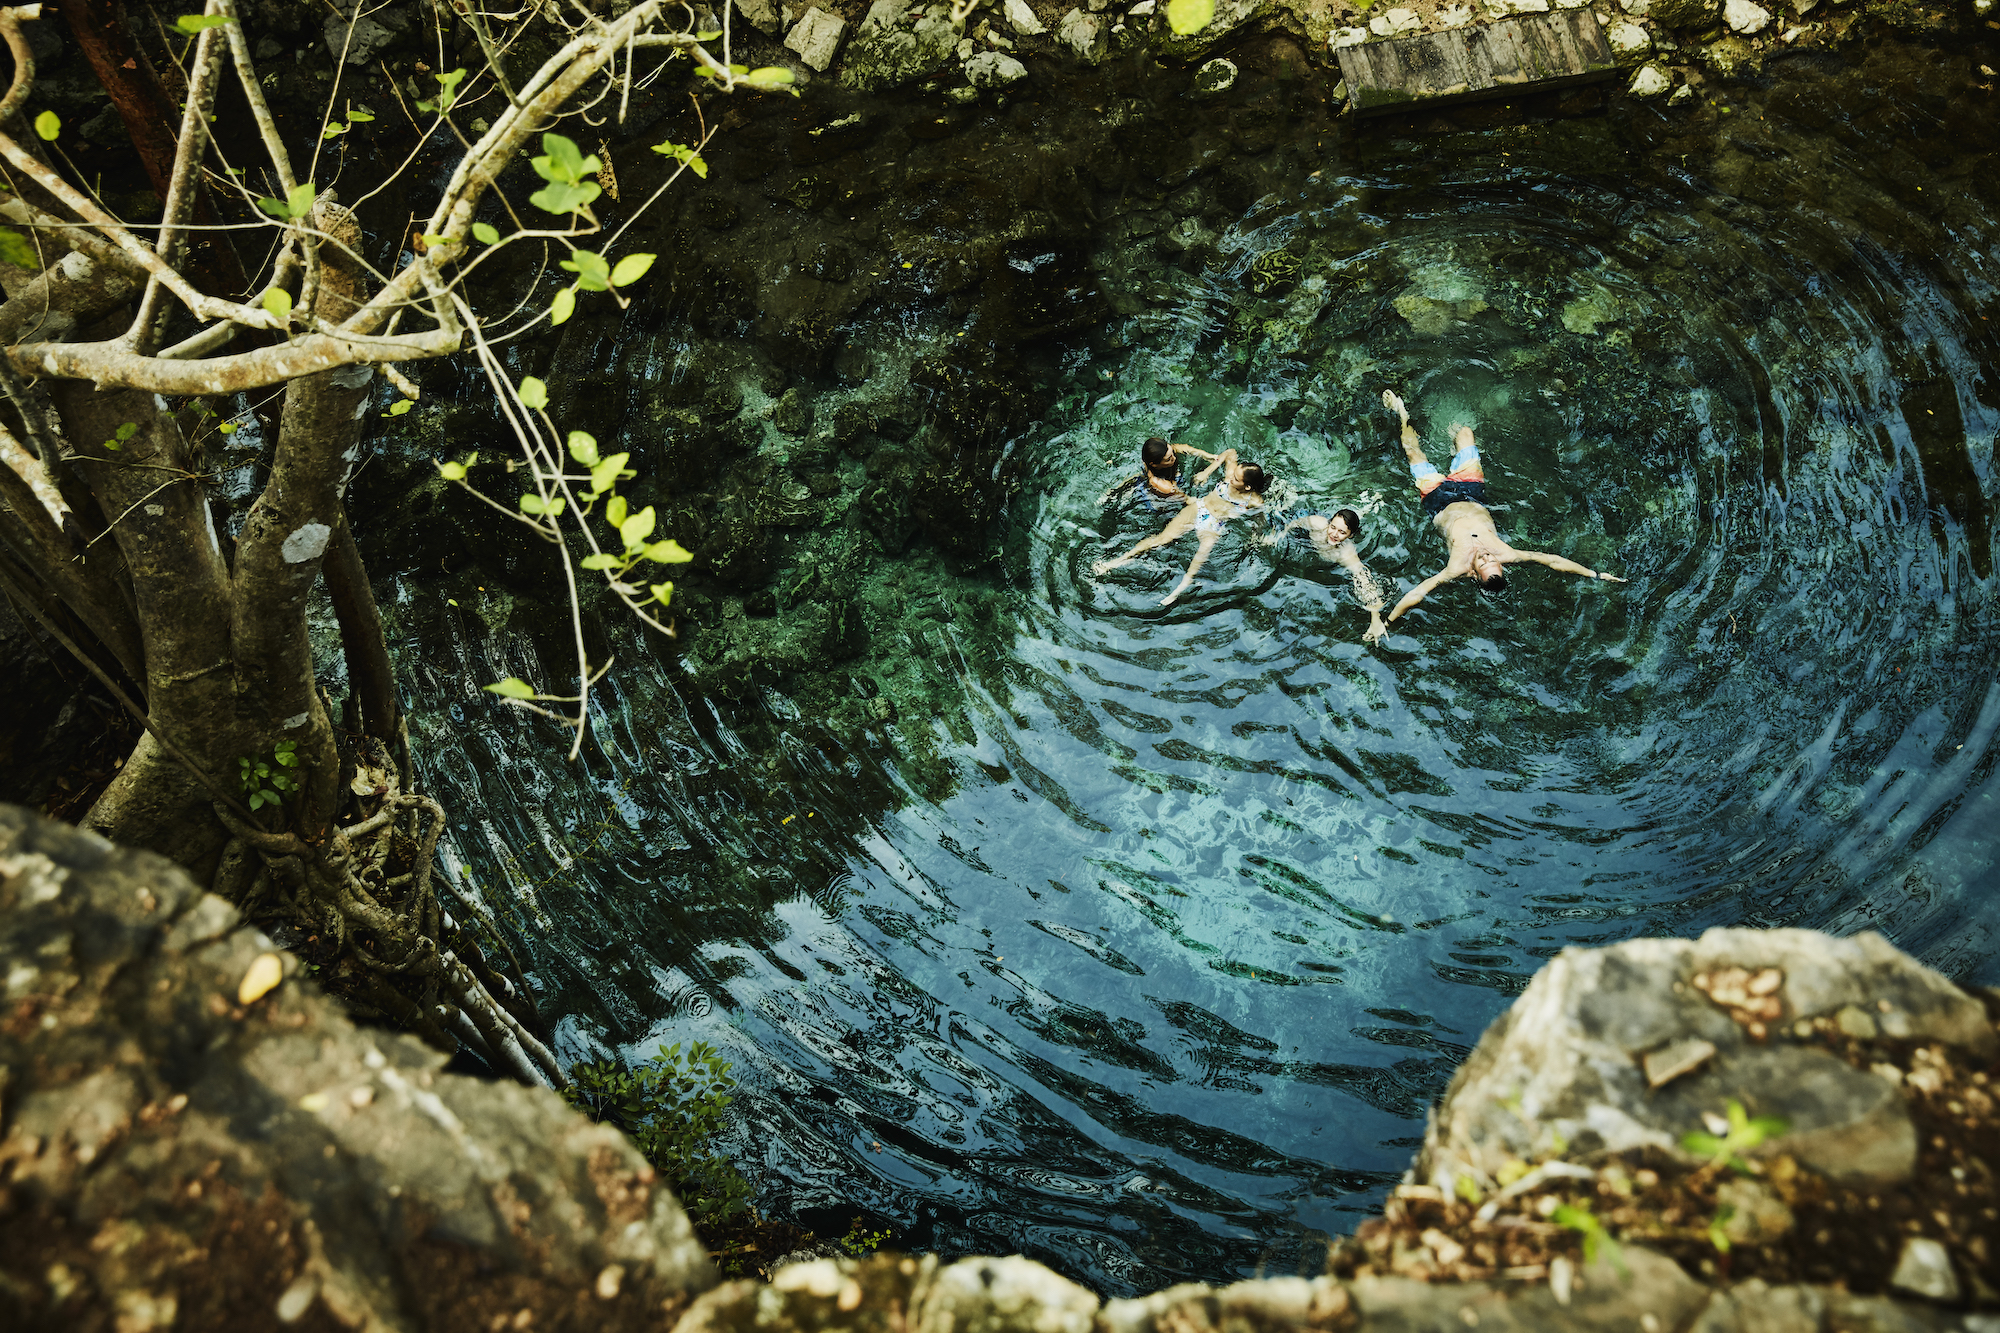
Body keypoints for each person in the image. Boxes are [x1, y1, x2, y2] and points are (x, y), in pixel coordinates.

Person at [1380, 389, 1626, 627]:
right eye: (1491, 560)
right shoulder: (1507, 554)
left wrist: (1388, 621)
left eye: (1483, 563)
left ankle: (1402, 414)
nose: (1486, 556)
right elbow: (1552, 561)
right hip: (1472, 493)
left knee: (1412, 452)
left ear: (1474, 574)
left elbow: (1419, 592)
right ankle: (1454, 448)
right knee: (1465, 433)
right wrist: (1593, 574)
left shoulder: (1456, 568)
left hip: (1437, 500)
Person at [1092, 448, 1271, 606]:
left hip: (1214, 524)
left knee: (1201, 555)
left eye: (1236, 478)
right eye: (1233, 474)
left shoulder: (1254, 501)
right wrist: (1207, 472)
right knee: (1161, 539)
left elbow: (1260, 518)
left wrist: (1256, 536)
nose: (1231, 476)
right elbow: (1230, 452)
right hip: (1199, 508)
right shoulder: (1231, 475)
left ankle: (1181, 587)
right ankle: (1114, 562)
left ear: (1247, 486)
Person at [1274, 507, 1388, 643]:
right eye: (1333, 527)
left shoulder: (1345, 552)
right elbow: (1293, 523)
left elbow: (1363, 578)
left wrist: (1375, 615)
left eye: (1342, 532)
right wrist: (1279, 536)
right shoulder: (1317, 523)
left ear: (1350, 535)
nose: (1334, 534)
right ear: (1329, 523)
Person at [1100, 435, 1218, 510]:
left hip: (1149, 476)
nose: (1174, 458)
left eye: (1172, 453)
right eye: (1168, 459)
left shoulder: (1162, 453)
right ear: (1154, 463)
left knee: (1138, 478)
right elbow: (1187, 500)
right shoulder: (1162, 485)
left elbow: (1183, 448)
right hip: (1154, 500)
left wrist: (1208, 456)